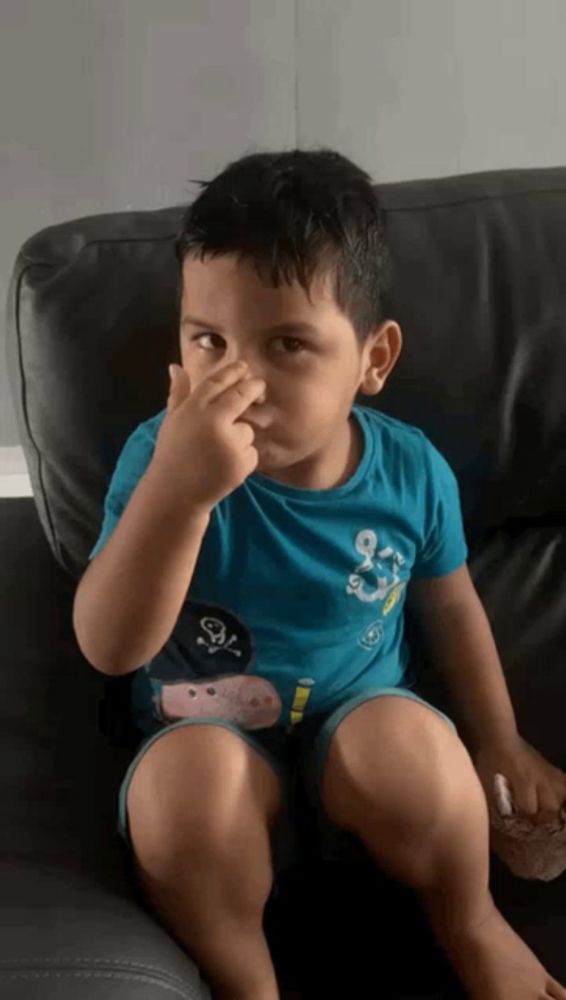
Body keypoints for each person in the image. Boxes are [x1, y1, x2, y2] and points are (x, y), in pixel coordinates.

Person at [73, 148, 566, 1000]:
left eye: (288, 344)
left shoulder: (409, 474)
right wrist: (180, 498)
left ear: (373, 360)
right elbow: (109, 648)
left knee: (416, 751)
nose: (240, 379)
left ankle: (472, 922)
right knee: (180, 789)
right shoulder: (160, 460)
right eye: (208, 341)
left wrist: (499, 737)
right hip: (215, 753)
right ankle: (246, 980)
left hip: (359, 738)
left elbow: (453, 610)